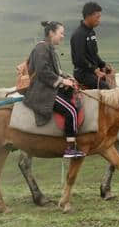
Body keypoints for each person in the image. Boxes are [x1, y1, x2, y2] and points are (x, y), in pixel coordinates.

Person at [23, 21, 85, 159]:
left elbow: (55, 71)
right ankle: (70, 148)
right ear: (51, 33)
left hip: (48, 88)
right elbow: (43, 71)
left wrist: (68, 77)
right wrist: (62, 81)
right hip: (42, 91)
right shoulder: (41, 49)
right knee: (70, 110)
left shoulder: (48, 48)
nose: (63, 36)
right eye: (61, 33)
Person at [70, 1, 113, 89]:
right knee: (105, 87)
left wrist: (103, 65)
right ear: (89, 16)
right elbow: (79, 59)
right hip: (82, 73)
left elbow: (94, 54)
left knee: (111, 78)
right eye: (97, 17)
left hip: (92, 71)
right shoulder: (79, 34)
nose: (99, 20)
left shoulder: (91, 32)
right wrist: (95, 70)